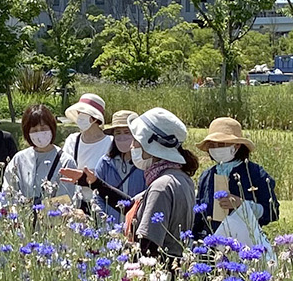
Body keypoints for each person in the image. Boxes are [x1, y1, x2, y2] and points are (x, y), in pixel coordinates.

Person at [124, 108, 198, 260]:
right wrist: (96, 183)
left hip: (160, 276)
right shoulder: (180, 178)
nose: (132, 146)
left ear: (149, 145)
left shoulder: (161, 186)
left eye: (136, 140)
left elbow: (148, 246)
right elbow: (134, 204)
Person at [194, 117, 278, 247]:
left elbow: (272, 211)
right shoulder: (206, 176)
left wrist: (242, 205)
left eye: (221, 144)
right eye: (212, 145)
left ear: (237, 145)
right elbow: (198, 215)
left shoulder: (255, 174)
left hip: (244, 245)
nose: (216, 148)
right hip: (210, 245)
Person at [1, 104, 76, 212]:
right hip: (23, 224)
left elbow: (66, 200)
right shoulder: (19, 159)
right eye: (34, 130)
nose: (39, 133)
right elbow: (8, 191)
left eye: (43, 129)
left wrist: (40, 208)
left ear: (52, 128)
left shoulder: (65, 161)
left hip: (51, 225)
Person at [66, 95, 112, 178]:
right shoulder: (72, 140)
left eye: (83, 113)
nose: (79, 116)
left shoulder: (110, 143)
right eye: (78, 112)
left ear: (94, 118)